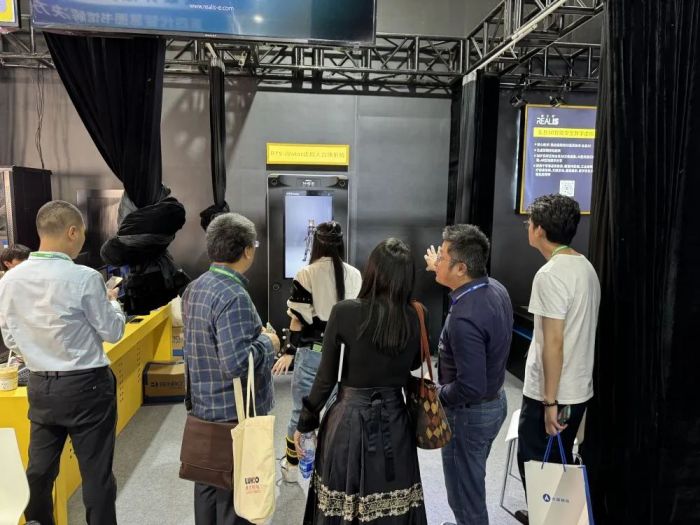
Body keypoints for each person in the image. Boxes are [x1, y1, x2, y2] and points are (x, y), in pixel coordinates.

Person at [0, 201, 125, 525]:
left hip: (41, 385)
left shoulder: (9, 280)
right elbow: (112, 331)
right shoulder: (84, 277)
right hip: (87, 386)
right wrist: (114, 305)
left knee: (39, 472)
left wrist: (38, 353)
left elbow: (10, 337)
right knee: (96, 474)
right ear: (72, 232)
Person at [295, 238, 428, 525]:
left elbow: (326, 378)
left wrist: (306, 421)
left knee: (343, 499)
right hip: (396, 420)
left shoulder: (345, 312)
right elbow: (415, 364)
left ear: (372, 271)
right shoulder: (417, 315)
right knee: (393, 499)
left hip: (349, 421)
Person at [182, 212, 279, 525]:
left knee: (207, 488)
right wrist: (268, 343)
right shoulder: (234, 295)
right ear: (247, 250)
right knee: (233, 500)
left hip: (203, 407)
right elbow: (236, 362)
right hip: (233, 415)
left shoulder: (195, 288)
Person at [514, 194, 600, 525]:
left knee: (536, 463)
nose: (528, 228)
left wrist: (549, 402)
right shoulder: (585, 266)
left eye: (529, 222)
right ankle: (550, 517)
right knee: (555, 467)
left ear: (539, 229)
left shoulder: (550, 274)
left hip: (552, 393)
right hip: (577, 388)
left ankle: (548, 519)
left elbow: (553, 343)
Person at [424, 224, 513, 525]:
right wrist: (439, 270)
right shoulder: (493, 288)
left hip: (469, 414)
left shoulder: (465, 318)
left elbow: (470, 386)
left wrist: (437, 394)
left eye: (442, 257)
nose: (436, 261)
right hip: (494, 402)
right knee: (471, 480)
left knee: (465, 495)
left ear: (461, 268)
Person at [272, 221, 362, 482]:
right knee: (338, 413)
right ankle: (329, 468)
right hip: (346, 355)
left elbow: (297, 320)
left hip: (314, 352)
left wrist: (289, 351)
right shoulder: (355, 274)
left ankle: (292, 467)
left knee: (301, 411)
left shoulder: (306, 273)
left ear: (316, 244)